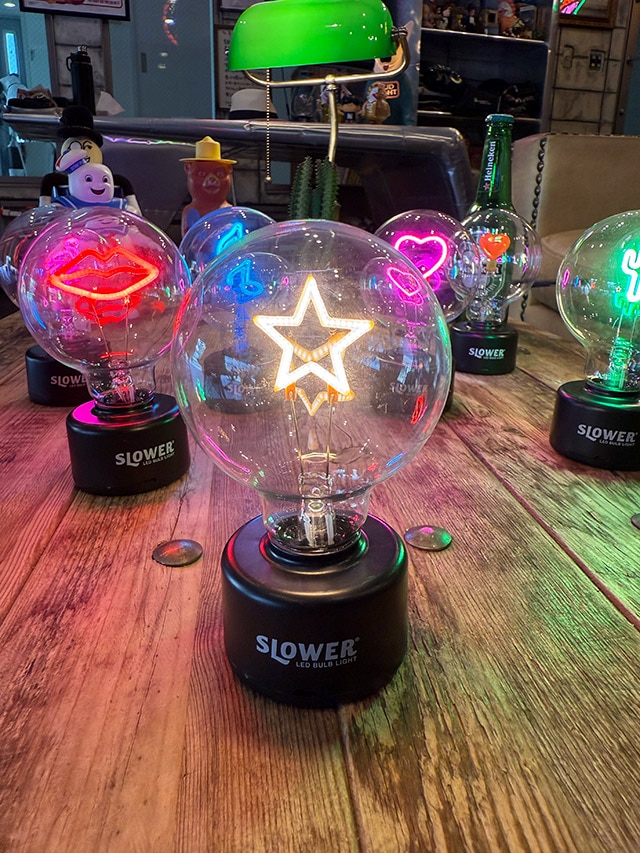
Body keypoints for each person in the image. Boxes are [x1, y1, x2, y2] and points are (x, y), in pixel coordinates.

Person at [39, 105, 140, 214]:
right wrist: (44, 211)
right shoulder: (64, 197)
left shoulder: (117, 202)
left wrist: (134, 211)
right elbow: (45, 208)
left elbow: (134, 211)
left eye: (87, 147)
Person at [180, 137, 236, 236]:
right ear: (188, 168)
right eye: (202, 174)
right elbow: (189, 239)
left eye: (219, 174)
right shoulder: (191, 211)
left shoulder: (230, 211)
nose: (211, 179)